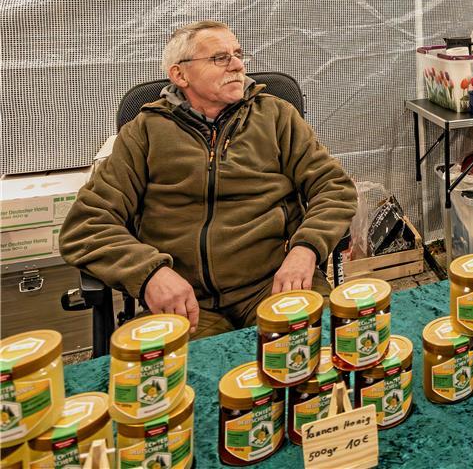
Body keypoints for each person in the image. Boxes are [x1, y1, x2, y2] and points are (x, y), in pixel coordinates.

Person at [60, 20, 357, 339]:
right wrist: (149, 274)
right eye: (220, 58)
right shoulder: (144, 133)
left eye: (238, 54)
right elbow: (86, 225)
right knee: (167, 381)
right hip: (187, 302)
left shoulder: (275, 116)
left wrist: (306, 249)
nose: (238, 65)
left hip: (274, 283)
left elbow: (334, 188)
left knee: (322, 358)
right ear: (180, 74)